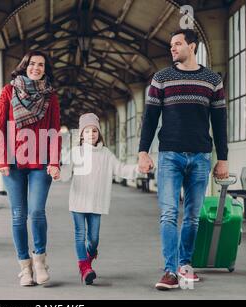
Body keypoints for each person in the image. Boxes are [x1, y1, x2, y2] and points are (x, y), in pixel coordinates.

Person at [138, 29, 229, 291]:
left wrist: (222, 159)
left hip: (201, 156)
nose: (173, 49)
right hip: (169, 155)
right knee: (168, 214)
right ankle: (169, 270)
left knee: (191, 217)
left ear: (192, 46)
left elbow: (219, 122)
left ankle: (184, 265)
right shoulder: (162, 78)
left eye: (178, 44)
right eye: (171, 45)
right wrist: (143, 151)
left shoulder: (212, 80)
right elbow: (151, 118)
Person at [0, 50, 61, 286]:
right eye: (32, 63)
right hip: (13, 162)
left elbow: (54, 130)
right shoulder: (8, 91)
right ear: (24, 66)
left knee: (36, 212)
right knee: (18, 215)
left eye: (41, 65)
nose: (36, 68)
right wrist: (1, 159)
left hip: (41, 161)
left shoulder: (50, 96)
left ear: (45, 69)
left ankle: (40, 260)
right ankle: (25, 268)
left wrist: (54, 161)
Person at [64, 113, 138, 285]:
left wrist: (139, 169)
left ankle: (89, 257)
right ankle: (84, 267)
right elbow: (66, 173)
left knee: (94, 238)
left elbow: (121, 169)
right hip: (78, 201)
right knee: (79, 234)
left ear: (99, 133)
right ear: (82, 134)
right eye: (87, 131)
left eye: (94, 131)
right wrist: (56, 173)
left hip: (97, 203)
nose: (91, 134)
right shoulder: (76, 152)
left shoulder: (106, 154)